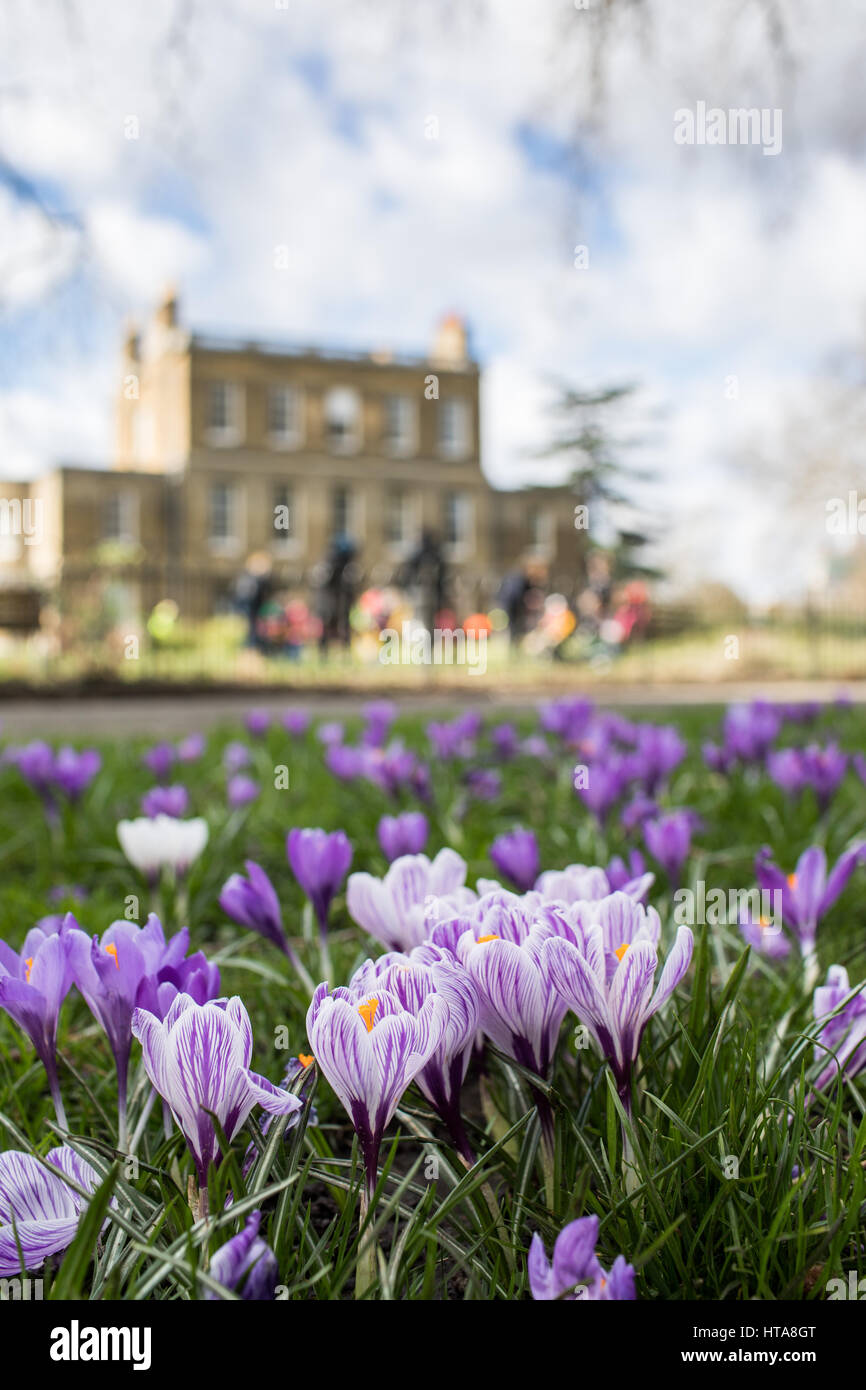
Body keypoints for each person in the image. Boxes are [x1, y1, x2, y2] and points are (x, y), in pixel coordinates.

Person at [315, 534, 358, 655]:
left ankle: (346, 651)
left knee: (345, 625)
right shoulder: (327, 564)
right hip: (328, 602)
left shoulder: (348, 567)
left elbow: (351, 585)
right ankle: (323, 652)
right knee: (327, 625)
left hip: (342, 602)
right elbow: (322, 583)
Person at [400, 530, 448, 633]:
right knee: (422, 617)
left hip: (429, 594)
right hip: (421, 593)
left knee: (428, 618)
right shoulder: (424, 555)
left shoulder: (431, 555)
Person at [233, 552, 273, 650]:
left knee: (253, 629)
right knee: (251, 630)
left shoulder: (248, 577)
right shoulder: (252, 578)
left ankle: (252, 647)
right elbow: (249, 594)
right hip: (249, 606)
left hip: (252, 607)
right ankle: (251, 647)